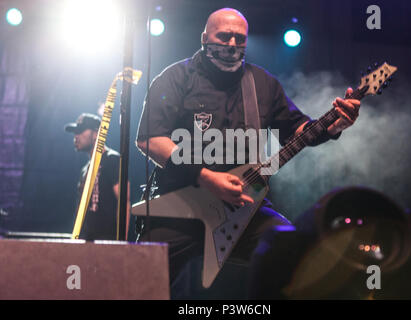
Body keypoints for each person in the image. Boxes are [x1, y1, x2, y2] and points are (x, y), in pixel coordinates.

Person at [135, 8, 360, 297]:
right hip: (179, 206)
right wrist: (204, 177)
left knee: (295, 253)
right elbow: (150, 140)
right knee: (140, 278)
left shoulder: (263, 84)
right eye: (223, 36)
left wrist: (332, 126)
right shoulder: (176, 78)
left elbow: (298, 130)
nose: (231, 44)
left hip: (244, 208)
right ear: (205, 37)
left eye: (238, 38)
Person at [65, 113, 129, 241]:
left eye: (80, 131)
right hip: (85, 241)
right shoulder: (85, 169)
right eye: (75, 132)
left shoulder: (112, 159)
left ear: (96, 134)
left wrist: (122, 244)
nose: (76, 136)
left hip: (106, 242)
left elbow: (124, 202)